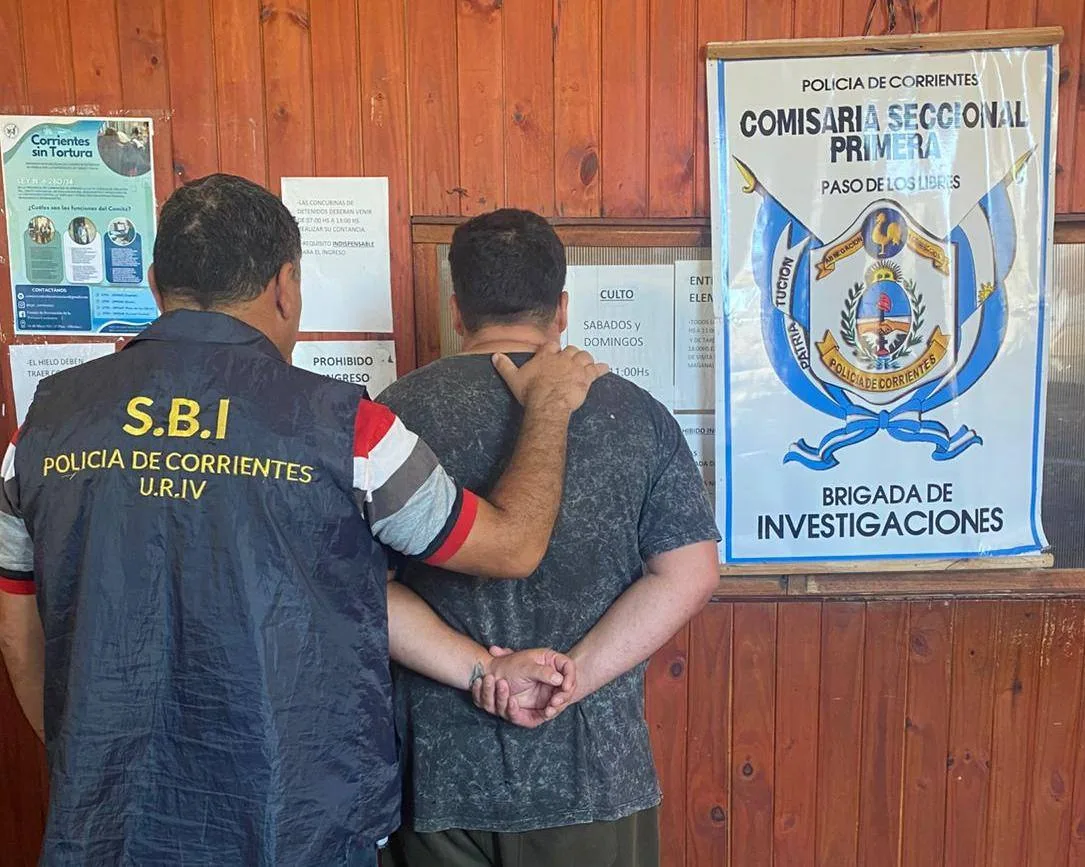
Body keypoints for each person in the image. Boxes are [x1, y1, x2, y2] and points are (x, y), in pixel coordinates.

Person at [0, 176, 606, 866]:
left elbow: (18, 628)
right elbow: (512, 546)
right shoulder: (351, 430)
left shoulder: (42, 428)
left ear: (154, 285)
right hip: (297, 826)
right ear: (286, 287)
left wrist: (90, 764)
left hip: (109, 830)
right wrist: (549, 405)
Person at [380, 208, 721, 867]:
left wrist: (484, 670)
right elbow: (691, 572)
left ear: (457, 309)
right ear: (561, 308)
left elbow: (364, 589)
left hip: (440, 782)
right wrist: (571, 678)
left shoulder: (393, 415)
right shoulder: (638, 415)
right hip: (596, 774)